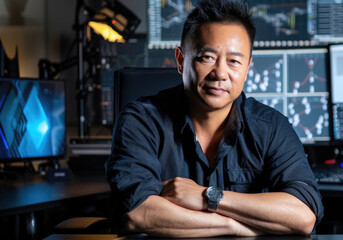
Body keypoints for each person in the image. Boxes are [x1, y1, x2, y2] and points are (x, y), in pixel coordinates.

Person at [106, 0, 323, 237]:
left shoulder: (270, 127)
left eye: (234, 61)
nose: (220, 73)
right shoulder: (141, 121)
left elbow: (303, 214)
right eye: (207, 57)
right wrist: (234, 227)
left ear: (248, 68)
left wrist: (209, 196)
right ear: (180, 60)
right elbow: (139, 214)